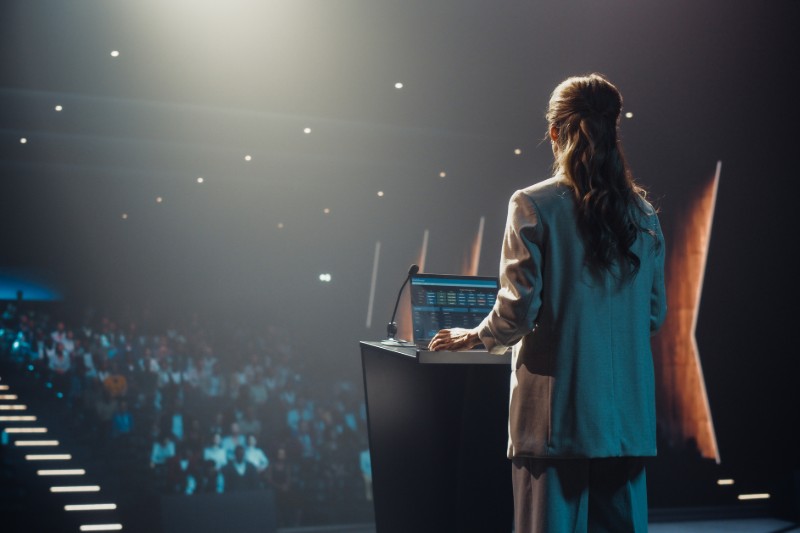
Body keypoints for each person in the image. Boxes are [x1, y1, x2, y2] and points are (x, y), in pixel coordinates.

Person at [428, 73, 667, 533]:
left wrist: (473, 336)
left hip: (557, 424)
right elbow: (653, 315)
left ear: (555, 132)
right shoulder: (645, 215)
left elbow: (516, 313)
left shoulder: (533, 205)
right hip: (627, 425)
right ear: (612, 130)